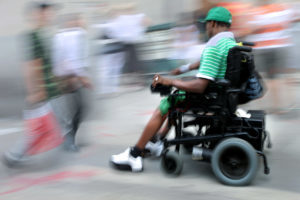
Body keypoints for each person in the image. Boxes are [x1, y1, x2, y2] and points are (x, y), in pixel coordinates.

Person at [110, 7, 237, 172]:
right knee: (176, 99)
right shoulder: (229, 42)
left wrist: (170, 81)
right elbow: (205, 61)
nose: (205, 28)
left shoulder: (213, 45)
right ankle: (158, 141)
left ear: (212, 23)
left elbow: (200, 85)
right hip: (221, 94)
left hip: (209, 96)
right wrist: (183, 69)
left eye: (206, 24)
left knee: (165, 105)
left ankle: (134, 155)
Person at [3, 2, 64, 166]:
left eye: (50, 13)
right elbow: (29, 66)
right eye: (45, 13)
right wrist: (34, 91)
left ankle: (18, 154)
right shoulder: (32, 36)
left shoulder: (43, 34)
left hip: (48, 89)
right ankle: (14, 155)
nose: (49, 16)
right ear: (35, 14)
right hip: (41, 90)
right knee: (40, 128)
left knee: (48, 125)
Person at [52, 13, 92, 152]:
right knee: (71, 111)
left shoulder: (77, 35)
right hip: (67, 78)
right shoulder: (66, 36)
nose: (82, 22)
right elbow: (68, 59)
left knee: (78, 109)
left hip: (72, 77)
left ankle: (69, 139)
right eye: (78, 20)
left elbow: (78, 59)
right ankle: (68, 141)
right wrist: (82, 77)